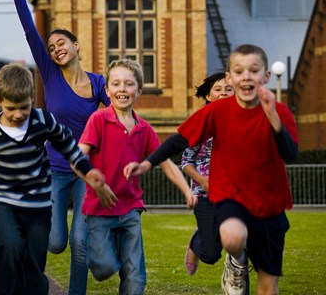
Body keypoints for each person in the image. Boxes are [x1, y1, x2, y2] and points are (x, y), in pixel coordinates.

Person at [124, 44, 299, 295]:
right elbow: (179, 140)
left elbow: (290, 155)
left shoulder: (279, 111)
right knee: (231, 237)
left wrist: (273, 119)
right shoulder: (216, 111)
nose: (246, 76)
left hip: (269, 205)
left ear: (266, 76)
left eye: (254, 70)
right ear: (230, 77)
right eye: (239, 71)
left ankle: (239, 264)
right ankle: (236, 262)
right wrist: (148, 162)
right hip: (229, 196)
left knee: (268, 285)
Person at [0, 0, 109, 294]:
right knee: (56, 242)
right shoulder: (50, 73)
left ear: (76, 46)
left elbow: (118, 117)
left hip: (85, 171)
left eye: (62, 44)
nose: (56, 49)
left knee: (80, 241)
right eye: (52, 47)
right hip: (55, 171)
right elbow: (31, 32)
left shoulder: (99, 84)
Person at [0, 62, 112, 295]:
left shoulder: (41, 121)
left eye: (24, 108)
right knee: (10, 245)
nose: (18, 115)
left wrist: (87, 170)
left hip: (38, 202)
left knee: (34, 262)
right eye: (11, 108)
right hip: (2, 200)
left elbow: (67, 144)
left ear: (32, 99)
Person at [78, 59, 195, 295]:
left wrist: (187, 190)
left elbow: (166, 164)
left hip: (131, 209)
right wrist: (93, 181)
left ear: (138, 91)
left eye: (129, 84)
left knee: (135, 277)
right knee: (105, 268)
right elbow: (77, 157)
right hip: (99, 209)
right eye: (116, 84)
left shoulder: (145, 129)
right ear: (108, 90)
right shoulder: (98, 120)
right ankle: (98, 253)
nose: (122, 89)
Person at [181, 72, 234, 275]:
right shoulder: (199, 122)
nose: (223, 94)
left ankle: (238, 280)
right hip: (205, 195)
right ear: (209, 96)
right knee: (210, 255)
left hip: (234, 194)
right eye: (218, 90)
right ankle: (197, 241)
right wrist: (202, 180)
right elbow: (186, 161)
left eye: (228, 90)